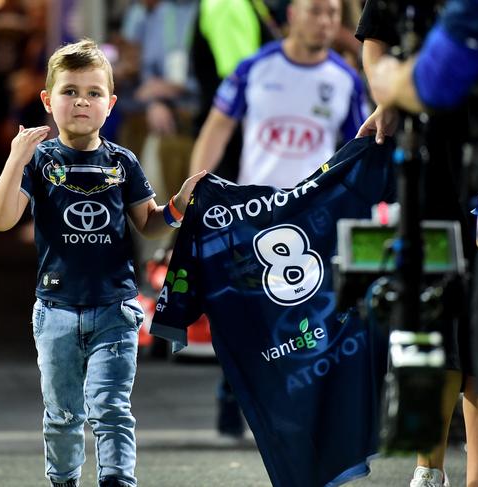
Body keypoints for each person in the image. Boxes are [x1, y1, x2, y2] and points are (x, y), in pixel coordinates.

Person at [0, 38, 205, 487]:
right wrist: (15, 159)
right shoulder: (39, 162)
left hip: (116, 307)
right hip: (56, 309)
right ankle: (64, 479)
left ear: (110, 103)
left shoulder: (122, 163)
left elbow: (149, 222)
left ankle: (117, 481)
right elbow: (0, 219)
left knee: (111, 409)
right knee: (63, 413)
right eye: (69, 92)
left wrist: (178, 207)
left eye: (93, 92)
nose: (81, 101)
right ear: (48, 101)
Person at [355, 2, 478, 486]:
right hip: (429, 172)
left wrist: (398, 86)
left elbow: (434, 73)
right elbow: (376, 40)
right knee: (430, 322)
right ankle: (428, 471)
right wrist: (387, 95)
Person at [189, 0, 278, 439]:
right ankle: (233, 392)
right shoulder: (227, 4)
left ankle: (244, 396)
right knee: (251, 296)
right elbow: (235, 83)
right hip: (250, 186)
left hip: (272, 185)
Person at [189, 0, 368, 189]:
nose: (324, 21)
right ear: (292, 15)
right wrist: (191, 194)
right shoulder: (254, 68)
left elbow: (358, 149)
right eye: (314, 12)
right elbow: (216, 129)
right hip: (255, 207)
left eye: (332, 13)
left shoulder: (347, 80)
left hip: (313, 208)